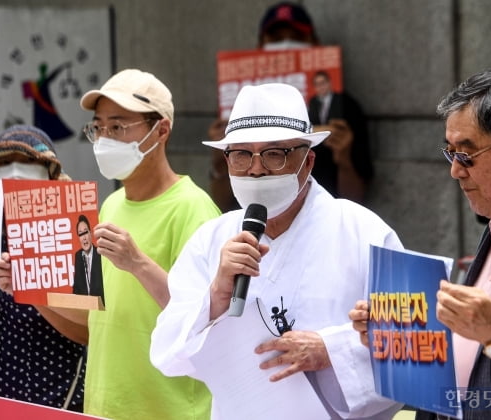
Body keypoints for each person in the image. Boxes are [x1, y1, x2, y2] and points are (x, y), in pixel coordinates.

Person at [151, 83, 404, 419]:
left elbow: (410, 349)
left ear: (309, 160)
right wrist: (215, 297)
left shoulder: (365, 233)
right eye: (240, 154)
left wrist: (330, 351)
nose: (256, 168)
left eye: (274, 153)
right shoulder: (211, 238)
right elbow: (167, 353)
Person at [352, 67, 491, 419]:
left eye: (466, 154)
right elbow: (472, 359)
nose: (455, 170)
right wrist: (403, 341)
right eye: (450, 153)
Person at [0, 68, 219, 419]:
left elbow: (208, 322)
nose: (104, 138)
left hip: (169, 411)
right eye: (98, 127)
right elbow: (91, 326)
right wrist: (26, 286)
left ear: (161, 130)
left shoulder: (193, 208)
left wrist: (138, 263)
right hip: (103, 409)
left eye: (118, 127)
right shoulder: (111, 205)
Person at [0, 125, 86, 411]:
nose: (14, 171)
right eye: (2, 163)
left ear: (49, 170)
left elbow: (88, 332)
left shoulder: (71, 235)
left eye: (28, 162)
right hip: (6, 401)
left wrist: (29, 288)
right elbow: (0, 335)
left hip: (62, 402)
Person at [208, 1, 371, 211]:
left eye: (296, 37)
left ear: (314, 43)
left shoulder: (342, 109)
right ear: (260, 46)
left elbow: (355, 200)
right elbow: (220, 202)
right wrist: (221, 161)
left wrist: (344, 159)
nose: (286, 44)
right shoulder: (239, 110)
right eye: (276, 38)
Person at [308, 70, 373, 201]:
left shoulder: (347, 106)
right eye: (317, 84)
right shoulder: (312, 103)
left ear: (330, 83)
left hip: (336, 190)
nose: (321, 87)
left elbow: (354, 195)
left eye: (323, 83)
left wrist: (343, 158)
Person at [72, 214, 104, 304]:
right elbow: (77, 287)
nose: (84, 238)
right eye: (81, 234)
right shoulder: (78, 256)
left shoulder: (100, 254)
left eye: (85, 232)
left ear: (90, 233)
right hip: (84, 309)